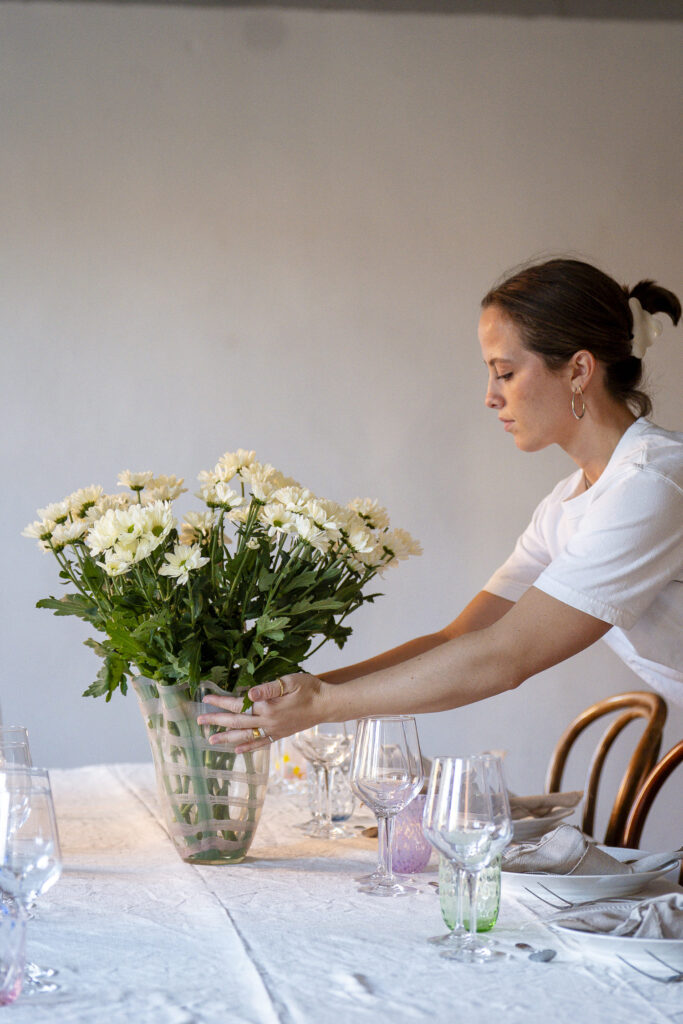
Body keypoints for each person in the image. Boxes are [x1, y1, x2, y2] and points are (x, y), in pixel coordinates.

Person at [197, 258, 683, 751]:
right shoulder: (566, 505)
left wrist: (322, 705)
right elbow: (459, 640)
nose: (490, 396)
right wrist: (298, 694)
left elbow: (504, 657)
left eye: (506, 373)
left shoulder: (651, 484)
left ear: (579, 370)